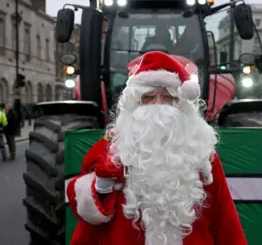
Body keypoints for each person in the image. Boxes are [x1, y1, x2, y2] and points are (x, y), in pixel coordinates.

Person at [66, 51, 247, 245]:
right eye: (149, 97)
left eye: (168, 97)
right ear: (135, 103)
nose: (159, 105)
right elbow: (84, 212)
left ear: (180, 104)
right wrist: (100, 186)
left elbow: (224, 218)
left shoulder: (201, 153)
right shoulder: (112, 148)